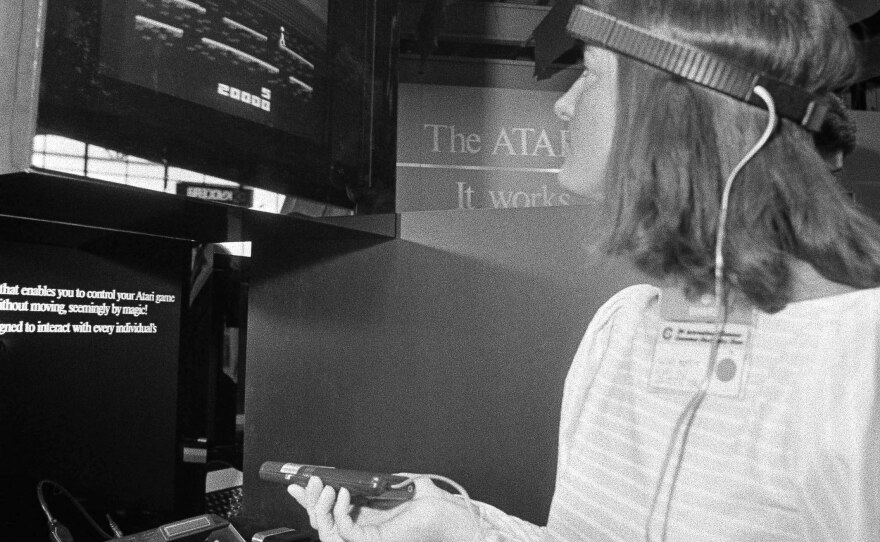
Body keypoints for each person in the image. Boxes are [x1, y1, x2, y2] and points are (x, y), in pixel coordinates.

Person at [289, 0, 880, 539]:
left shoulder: (860, 363)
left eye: (591, 73)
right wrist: (458, 528)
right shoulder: (619, 328)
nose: (562, 104)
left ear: (678, 109)